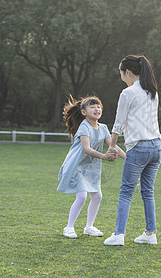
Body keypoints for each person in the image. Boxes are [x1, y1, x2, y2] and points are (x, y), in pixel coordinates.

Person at [104, 55, 161, 246]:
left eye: (121, 73)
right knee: (147, 191)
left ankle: (119, 235)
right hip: (156, 147)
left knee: (126, 192)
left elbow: (118, 124)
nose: (121, 77)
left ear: (127, 72)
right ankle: (150, 233)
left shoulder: (128, 93)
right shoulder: (152, 91)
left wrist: (112, 146)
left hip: (139, 148)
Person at [57, 95, 125, 239]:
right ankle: (68, 227)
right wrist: (104, 157)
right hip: (76, 165)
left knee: (97, 196)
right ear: (84, 112)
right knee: (81, 196)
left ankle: (89, 227)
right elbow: (86, 149)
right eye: (92, 107)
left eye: (98, 106)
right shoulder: (84, 127)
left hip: (91, 168)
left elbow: (113, 146)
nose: (96, 109)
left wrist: (129, 159)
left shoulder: (104, 128)